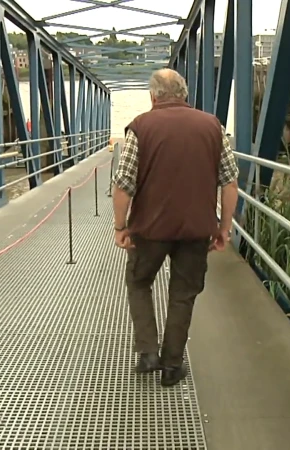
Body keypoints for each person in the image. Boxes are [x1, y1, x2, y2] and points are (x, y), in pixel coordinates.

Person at [111, 68, 239, 387]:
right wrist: (223, 228)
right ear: (184, 94)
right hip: (197, 230)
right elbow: (230, 181)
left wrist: (120, 226)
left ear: (153, 97)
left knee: (139, 283)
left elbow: (123, 184)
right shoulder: (213, 126)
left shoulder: (140, 126)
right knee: (183, 294)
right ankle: (171, 366)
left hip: (149, 230)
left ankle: (148, 353)